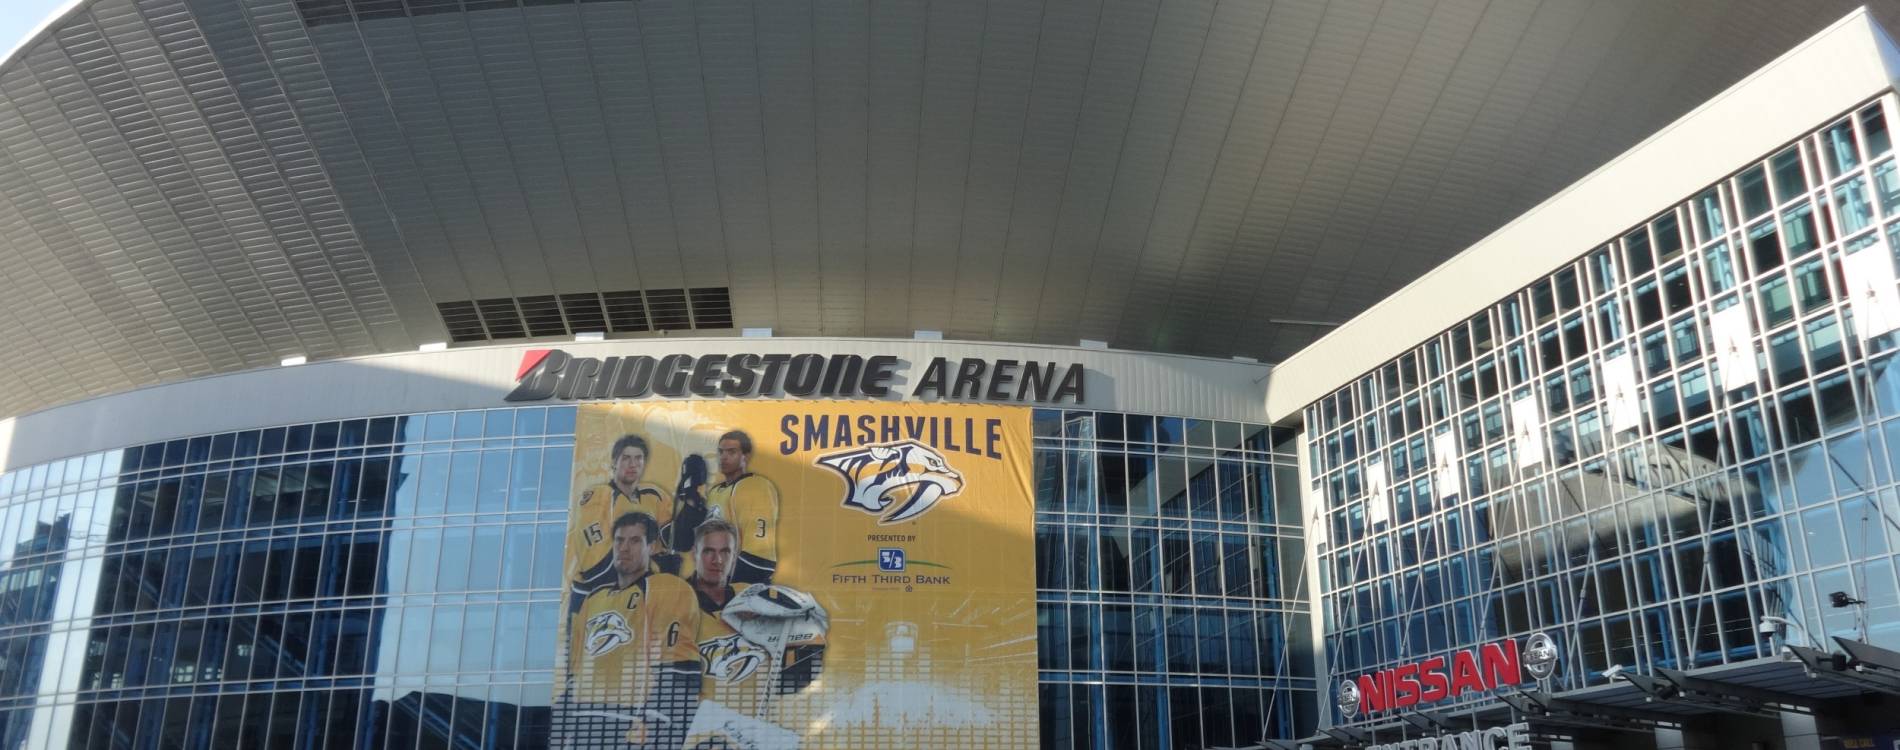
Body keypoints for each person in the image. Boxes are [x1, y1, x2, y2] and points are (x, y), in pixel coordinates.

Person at [562, 512, 700, 749]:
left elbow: (679, 669)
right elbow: (574, 670)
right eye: (619, 540)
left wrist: (660, 732)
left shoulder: (665, 588)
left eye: (635, 541)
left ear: (652, 546)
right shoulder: (594, 597)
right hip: (584, 726)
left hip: (631, 725)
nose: (624, 548)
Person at [683, 518, 826, 746]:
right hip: (696, 732)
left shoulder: (755, 597)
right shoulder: (675, 600)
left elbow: (792, 679)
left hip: (751, 734)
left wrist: (809, 639)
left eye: (725, 552)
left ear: (735, 555)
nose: (717, 560)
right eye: (708, 551)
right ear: (694, 553)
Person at [569, 435, 679, 608]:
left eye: (638, 458)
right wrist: (653, 566)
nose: (632, 464)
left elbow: (674, 541)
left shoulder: (654, 495)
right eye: (626, 458)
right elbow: (596, 567)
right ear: (614, 462)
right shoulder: (596, 497)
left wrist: (691, 508)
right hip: (591, 598)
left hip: (637, 597)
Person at [678, 431, 781, 584]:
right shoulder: (714, 492)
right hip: (713, 585)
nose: (723, 457)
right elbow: (683, 542)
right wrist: (691, 502)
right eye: (721, 452)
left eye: (731, 452)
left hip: (740, 589)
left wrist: (725, 591)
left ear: (745, 456)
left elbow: (759, 558)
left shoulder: (755, 487)